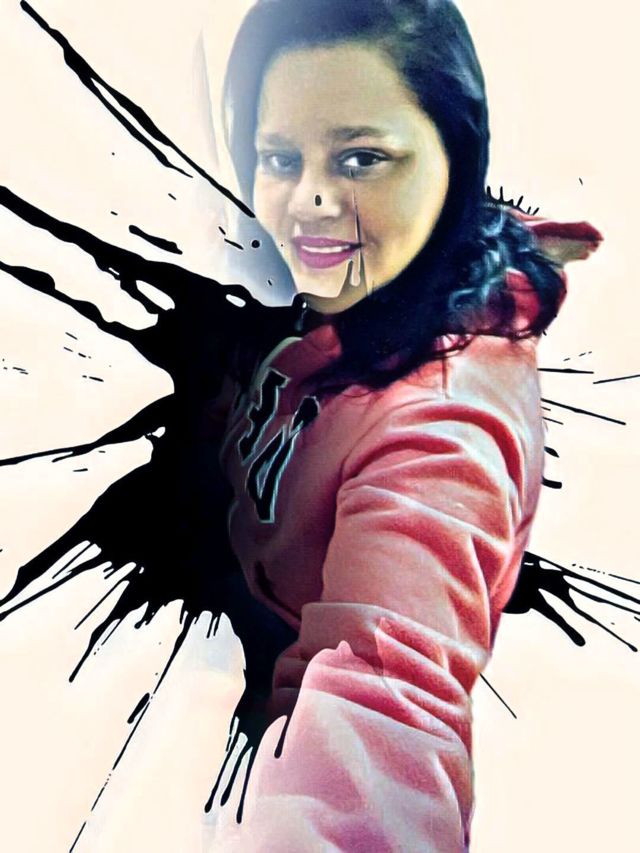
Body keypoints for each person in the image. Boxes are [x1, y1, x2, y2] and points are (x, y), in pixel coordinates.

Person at [211, 0, 602, 849]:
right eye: (280, 157)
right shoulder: (393, 273)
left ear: (457, 162)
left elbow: (386, 704)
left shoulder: (445, 429)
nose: (309, 200)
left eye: (361, 157)